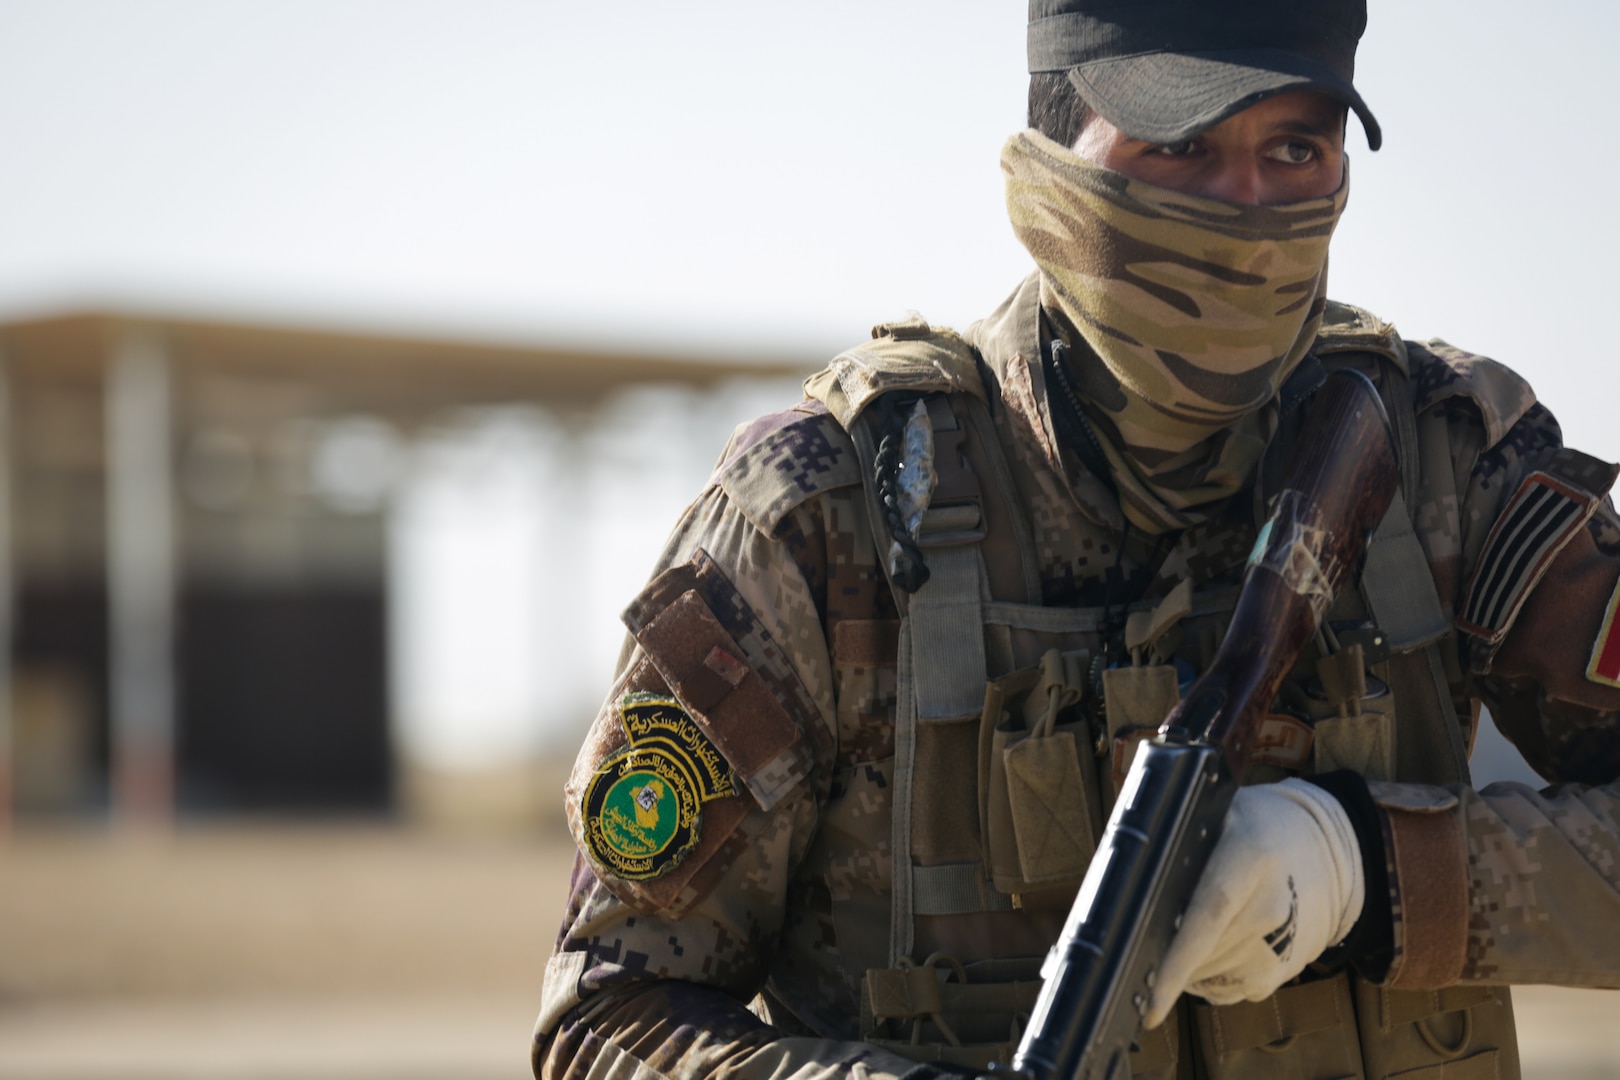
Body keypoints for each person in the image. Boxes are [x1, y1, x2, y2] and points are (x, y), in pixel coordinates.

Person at [533, 2, 1620, 1077]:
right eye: (1182, 145)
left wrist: (1369, 871)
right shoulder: (823, 516)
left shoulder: (1444, 461)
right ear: (1047, 172)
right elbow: (609, 1016)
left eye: (1296, 146)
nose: (1244, 203)